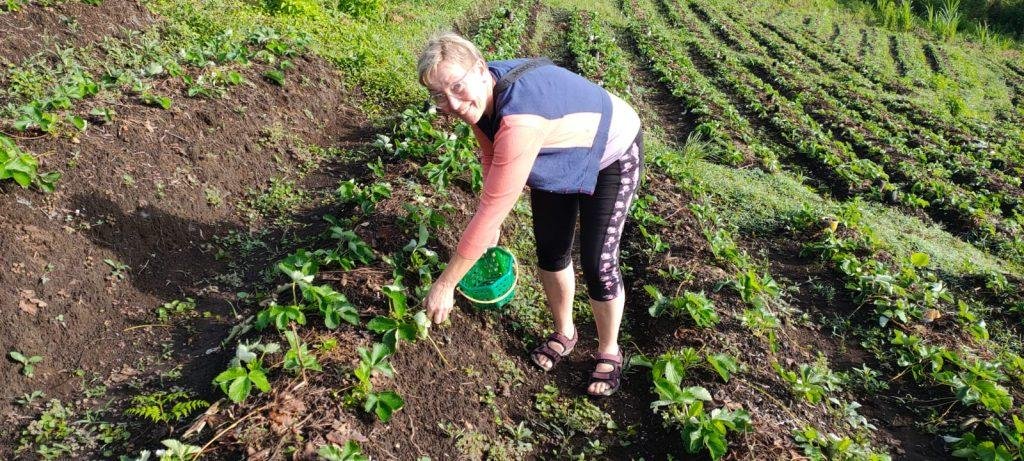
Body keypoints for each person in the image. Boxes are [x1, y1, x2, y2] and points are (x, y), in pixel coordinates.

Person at [417, 32, 643, 397]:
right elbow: (491, 154)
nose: (454, 103)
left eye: (457, 87)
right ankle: (565, 332)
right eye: (440, 95)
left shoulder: (520, 121)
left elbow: (493, 205)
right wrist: (491, 221)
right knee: (551, 252)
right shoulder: (482, 98)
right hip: (558, 148)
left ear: (479, 69)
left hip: (611, 150)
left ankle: (609, 350)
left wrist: (446, 284)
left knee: (597, 260)